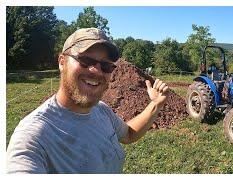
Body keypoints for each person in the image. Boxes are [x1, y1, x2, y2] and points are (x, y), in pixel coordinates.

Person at [6, 28, 169, 173]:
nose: (96, 70)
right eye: (85, 61)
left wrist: (156, 103)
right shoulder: (33, 136)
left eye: (106, 66)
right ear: (62, 62)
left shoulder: (102, 110)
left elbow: (128, 134)